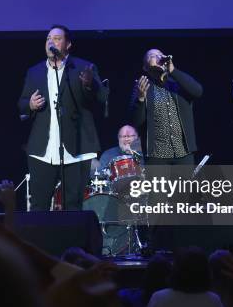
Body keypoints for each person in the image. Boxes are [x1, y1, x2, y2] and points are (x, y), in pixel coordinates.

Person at [18, 25, 108, 210]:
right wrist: (30, 105)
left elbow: (101, 99)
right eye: (48, 38)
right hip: (43, 150)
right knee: (38, 205)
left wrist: (89, 85)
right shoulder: (34, 71)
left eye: (57, 38)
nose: (51, 41)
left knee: (73, 205)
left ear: (68, 44)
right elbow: (21, 103)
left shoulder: (84, 67)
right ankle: (38, 240)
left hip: (76, 149)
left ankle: (71, 240)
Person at [130, 49, 203, 166]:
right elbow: (136, 122)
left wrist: (173, 70)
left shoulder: (178, 82)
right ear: (145, 67)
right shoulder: (142, 87)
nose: (158, 57)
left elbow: (198, 91)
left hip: (183, 152)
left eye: (160, 55)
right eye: (152, 56)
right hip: (157, 155)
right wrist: (141, 99)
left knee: (183, 185)